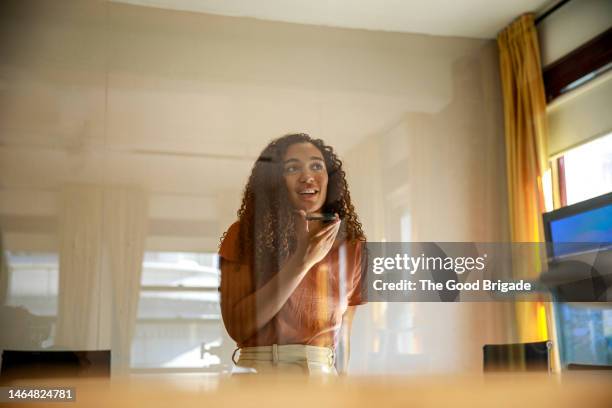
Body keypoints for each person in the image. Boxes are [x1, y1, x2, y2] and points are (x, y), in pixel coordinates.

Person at [218, 133, 367, 376]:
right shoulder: (243, 234)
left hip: (322, 377)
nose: (307, 177)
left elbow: (344, 335)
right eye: (292, 168)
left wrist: (342, 388)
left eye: (317, 166)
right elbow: (238, 326)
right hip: (258, 374)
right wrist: (302, 261)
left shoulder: (352, 246)